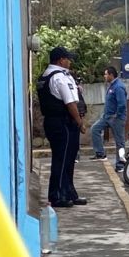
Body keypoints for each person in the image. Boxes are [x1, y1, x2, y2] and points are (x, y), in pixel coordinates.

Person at [38, 47, 87, 208]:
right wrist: (80, 122)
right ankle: (57, 195)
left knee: (67, 159)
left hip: (55, 121)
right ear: (60, 60)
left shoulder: (47, 75)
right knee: (62, 159)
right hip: (62, 123)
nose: (70, 61)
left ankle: (69, 192)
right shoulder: (58, 77)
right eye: (67, 58)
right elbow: (70, 103)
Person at [89, 66, 128, 172]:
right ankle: (100, 153)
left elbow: (122, 104)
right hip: (106, 117)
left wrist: (117, 115)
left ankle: (120, 165)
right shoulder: (112, 86)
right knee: (95, 129)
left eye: (106, 74)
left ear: (111, 75)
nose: (104, 76)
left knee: (119, 142)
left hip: (117, 118)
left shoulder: (118, 87)